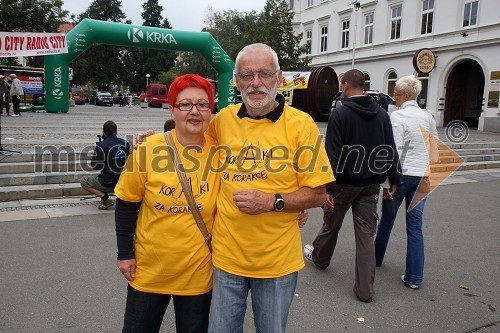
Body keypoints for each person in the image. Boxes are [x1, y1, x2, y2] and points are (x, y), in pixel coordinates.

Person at [206, 43, 334, 333]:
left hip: (277, 264)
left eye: (264, 74)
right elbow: (189, 144)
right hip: (226, 259)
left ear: (278, 78)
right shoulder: (223, 120)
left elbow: (318, 194)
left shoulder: (302, 125)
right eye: (247, 75)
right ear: (236, 80)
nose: (256, 83)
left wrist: (272, 201)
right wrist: (151, 142)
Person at [114, 74, 219, 332]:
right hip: (149, 271)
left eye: (202, 105)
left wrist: (288, 207)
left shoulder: (221, 152)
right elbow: (126, 202)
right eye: (185, 104)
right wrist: (125, 254)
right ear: (172, 108)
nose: (194, 112)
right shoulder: (149, 149)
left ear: (211, 111)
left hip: (198, 273)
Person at [304, 69, 402, 303]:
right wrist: (395, 179)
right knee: (366, 236)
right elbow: (390, 148)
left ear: (346, 85)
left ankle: (320, 258)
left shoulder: (340, 114)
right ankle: (365, 290)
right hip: (370, 185)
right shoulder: (381, 114)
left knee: (331, 224)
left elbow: (332, 153)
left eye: (341, 84)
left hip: (344, 184)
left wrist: (328, 187)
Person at [374, 75, 439, 290]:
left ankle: (375, 259)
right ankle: (414, 277)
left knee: (387, 220)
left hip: (400, 177)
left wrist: (387, 184)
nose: (394, 95)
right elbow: (435, 147)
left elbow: (394, 152)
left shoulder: (398, 117)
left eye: (397, 92)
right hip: (422, 177)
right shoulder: (427, 118)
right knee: (415, 227)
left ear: (407, 95)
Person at [80, 120, 130, 210]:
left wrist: (96, 150)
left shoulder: (102, 145)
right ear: (116, 131)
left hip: (109, 182)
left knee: (84, 181)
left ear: (103, 131)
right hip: (123, 182)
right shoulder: (125, 143)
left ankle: (105, 198)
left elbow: (95, 166)